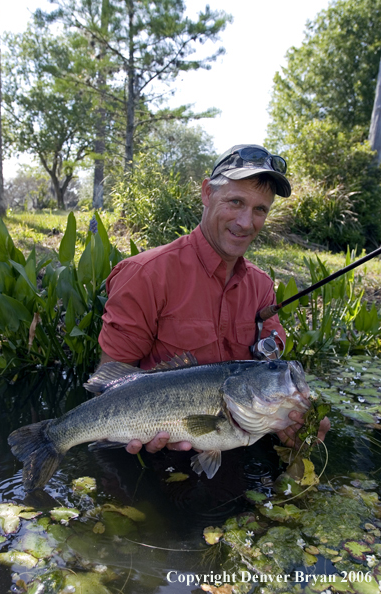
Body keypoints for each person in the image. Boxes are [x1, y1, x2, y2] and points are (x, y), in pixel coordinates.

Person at [98, 144, 330, 455]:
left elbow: (264, 377)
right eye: (236, 202)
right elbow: (108, 385)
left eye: (260, 209)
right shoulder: (145, 275)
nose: (246, 222)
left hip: (235, 438)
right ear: (207, 193)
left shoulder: (261, 287)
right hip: (154, 452)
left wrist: (290, 419)